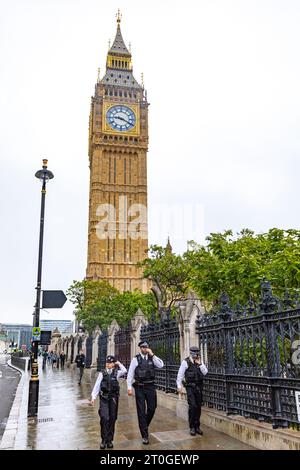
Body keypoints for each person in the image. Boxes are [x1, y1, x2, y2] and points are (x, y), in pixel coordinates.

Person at [127, 340, 164, 445]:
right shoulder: (136, 359)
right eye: (143, 347)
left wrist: (152, 355)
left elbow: (161, 365)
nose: (145, 349)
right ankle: (144, 435)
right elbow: (130, 374)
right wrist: (129, 387)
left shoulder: (152, 358)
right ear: (140, 348)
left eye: (146, 347)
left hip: (151, 386)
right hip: (140, 387)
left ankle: (144, 425)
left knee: (152, 408)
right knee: (141, 411)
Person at [91, 355, 127, 449]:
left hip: (114, 399)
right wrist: (93, 397)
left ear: (113, 364)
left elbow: (124, 370)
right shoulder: (102, 373)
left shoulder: (117, 372)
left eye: (110, 363)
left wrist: (118, 363)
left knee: (112, 419)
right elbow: (97, 385)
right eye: (107, 362)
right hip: (104, 398)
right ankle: (103, 440)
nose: (108, 364)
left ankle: (110, 440)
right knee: (104, 418)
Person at [176, 346, 208, 436]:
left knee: (198, 407)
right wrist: (179, 386)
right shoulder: (185, 362)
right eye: (194, 353)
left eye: (197, 353)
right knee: (192, 406)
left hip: (199, 387)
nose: (196, 355)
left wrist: (200, 364)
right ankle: (192, 427)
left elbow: (205, 372)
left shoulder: (199, 361)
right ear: (191, 353)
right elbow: (180, 375)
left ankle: (197, 426)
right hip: (190, 387)